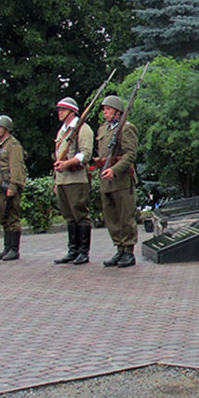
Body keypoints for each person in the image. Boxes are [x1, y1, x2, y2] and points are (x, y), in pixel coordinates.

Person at [94, 95, 139, 268]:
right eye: (104, 109)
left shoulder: (126, 129)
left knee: (125, 215)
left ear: (118, 111)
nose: (105, 112)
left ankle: (128, 251)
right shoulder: (103, 130)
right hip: (106, 178)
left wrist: (115, 169)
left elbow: (130, 155)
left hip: (121, 179)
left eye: (109, 109)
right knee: (111, 216)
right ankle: (119, 247)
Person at [52, 97, 95, 265]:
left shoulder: (83, 130)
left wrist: (67, 164)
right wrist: (57, 181)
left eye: (62, 110)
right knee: (69, 216)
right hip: (63, 180)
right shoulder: (62, 131)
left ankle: (83, 252)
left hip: (76, 179)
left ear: (71, 111)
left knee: (80, 214)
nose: (59, 113)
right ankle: (73, 250)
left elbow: (85, 154)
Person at [0, 115, 27, 261]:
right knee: (3, 217)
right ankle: (7, 248)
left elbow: (16, 167)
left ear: (6, 128)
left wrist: (13, 185)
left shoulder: (13, 145)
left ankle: (14, 249)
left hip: (7, 185)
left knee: (12, 217)